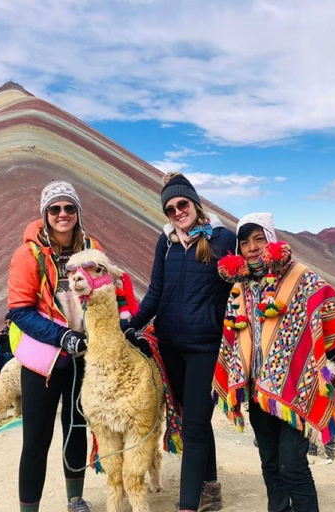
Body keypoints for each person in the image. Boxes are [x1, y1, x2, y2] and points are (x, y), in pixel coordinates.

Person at [213, 213, 335, 512]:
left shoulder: (302, 278)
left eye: (259, 239)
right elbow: (235, 337)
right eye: (245, 242)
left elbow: (330, 310)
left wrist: (321, 366)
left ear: (272, 241)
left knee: (292, 464)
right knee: (270, 463)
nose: (251, 248)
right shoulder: (241, 288)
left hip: (297, 391)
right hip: (258, 391)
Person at [120, 172, 236, 512]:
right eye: (169, 209)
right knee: (191, 419)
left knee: (195, 426)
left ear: (195, 203)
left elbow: (241, 282)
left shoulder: (222, 239)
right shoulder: (167, 243)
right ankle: (210, 489)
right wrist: (132, 324)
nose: (176, 213)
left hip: (205, 348)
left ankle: (187, 505)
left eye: (181, 204)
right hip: (170, 346)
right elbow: (156, 292)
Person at [8, 180, 97, 512]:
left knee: (76, 428)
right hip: (42, 362)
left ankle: (75, 499)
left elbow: (105, 293)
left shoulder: (91, 247)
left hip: (81, 356)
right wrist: (61, 336)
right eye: (55, 208)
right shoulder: (27, 254)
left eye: (69, 208)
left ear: (77, 212)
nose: (63, 214)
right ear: (45, 214)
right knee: (36, 440)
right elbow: (20, 310)